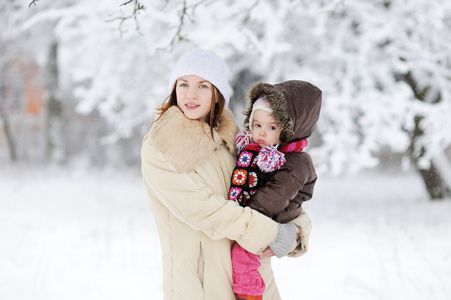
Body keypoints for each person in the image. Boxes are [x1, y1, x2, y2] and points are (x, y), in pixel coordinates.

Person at [141, 48, 312, 300]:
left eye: (203, 86)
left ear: (217, 93)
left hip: (254, 282)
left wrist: (297, 230)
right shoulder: (161, 146)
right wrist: (274, 233)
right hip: (199, 287)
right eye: (183, 84)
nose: (190, 94)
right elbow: (205, 210)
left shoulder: (237, 139)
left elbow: (279, 188)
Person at [227, 80, 322, 300]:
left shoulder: (295, 161)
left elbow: (273, 198)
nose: (261, 133)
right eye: (257, 125)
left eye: (271, 127)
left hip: (272, 215)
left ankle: (249, 293)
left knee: (244, 255)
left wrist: (245, 217)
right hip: (262, 213)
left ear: (287, 131)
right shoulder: (253, 150)